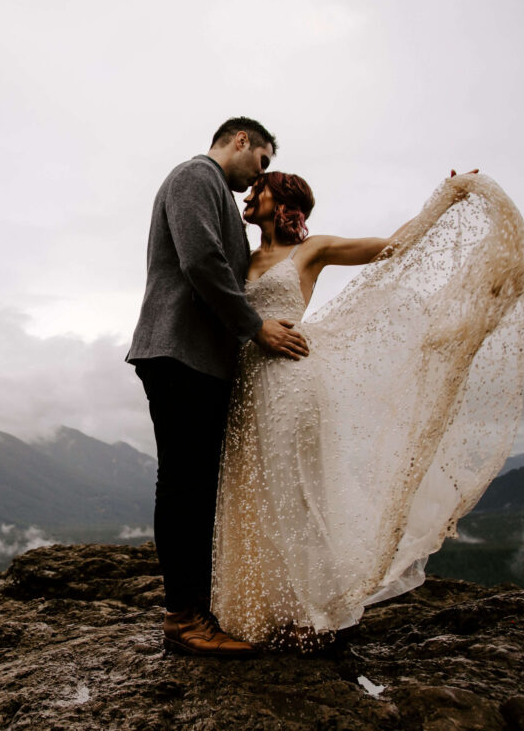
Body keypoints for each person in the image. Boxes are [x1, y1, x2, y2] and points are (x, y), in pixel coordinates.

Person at [210, 169, 524, 650]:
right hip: (248, 386)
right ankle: (264, 609)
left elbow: (390, 247)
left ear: (280, 199)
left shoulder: (312, 249)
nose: (248, 194)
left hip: (292, 382)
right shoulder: (240, 255)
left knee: (296, 490)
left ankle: (311, 612)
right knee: (252, 491)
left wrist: (445, 200)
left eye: (257, 189)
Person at [126, 117, 308, 657]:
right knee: (184, 486)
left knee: (198, 487)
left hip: (198, 359)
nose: (261, 175)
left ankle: (199, 611)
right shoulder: (195, 177)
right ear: (242, 141)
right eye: (263, 161)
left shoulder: (219, 196)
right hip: (178, 351)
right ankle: (183, 620)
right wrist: (255, 328)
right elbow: (200, 260)